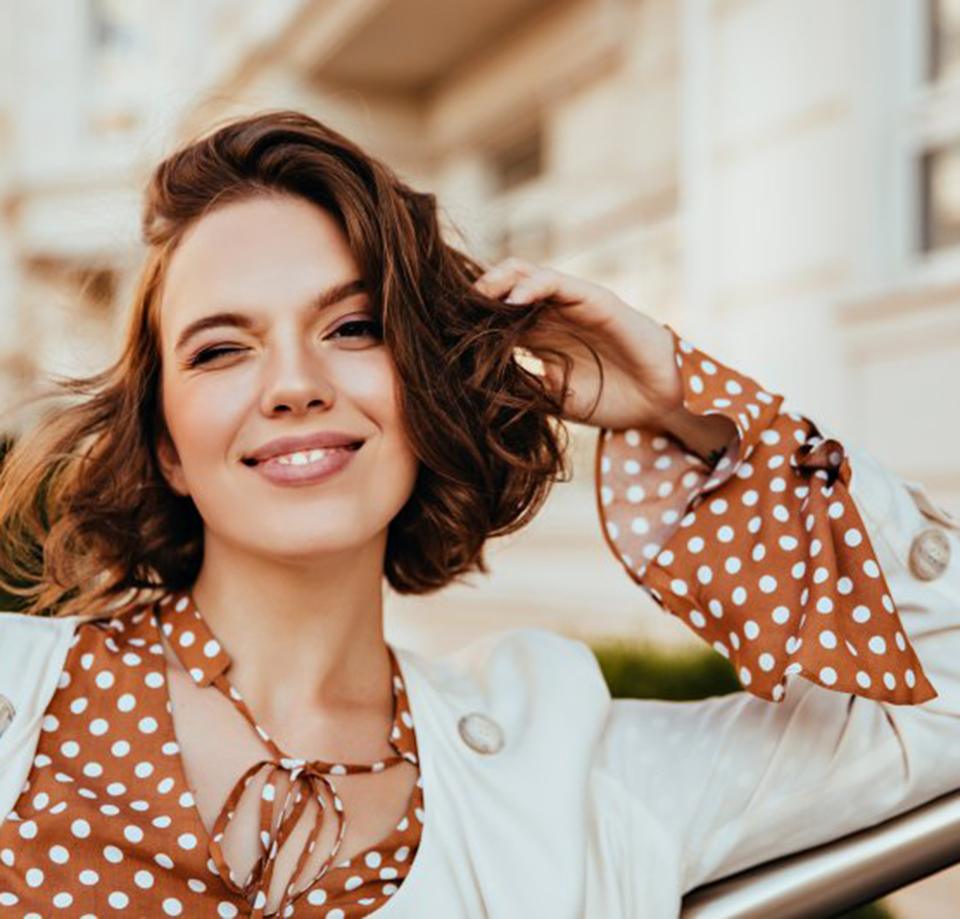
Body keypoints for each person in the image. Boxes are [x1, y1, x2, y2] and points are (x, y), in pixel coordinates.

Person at [0, 109, 957, 918]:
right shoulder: (19, 695)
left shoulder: (565, 768)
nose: (294, 384)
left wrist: (688, 403)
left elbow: (939, 705)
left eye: (354, 328)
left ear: (424, 386)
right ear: (166, 441)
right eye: (221, 350)